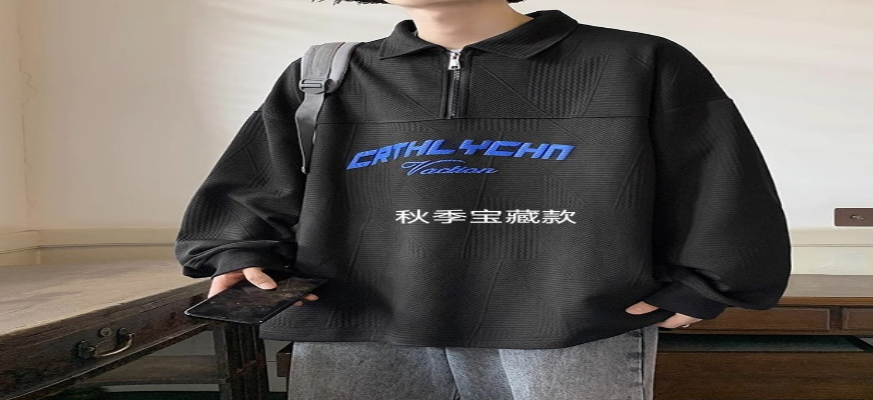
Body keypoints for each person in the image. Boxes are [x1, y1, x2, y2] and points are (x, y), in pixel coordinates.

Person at [174, 0, 792, 399]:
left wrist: (705, 285)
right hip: (358, 324)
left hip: (568, 329)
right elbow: (258, 180)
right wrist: (240, 251)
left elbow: (717, 176)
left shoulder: (636, 63)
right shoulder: (325, 76)